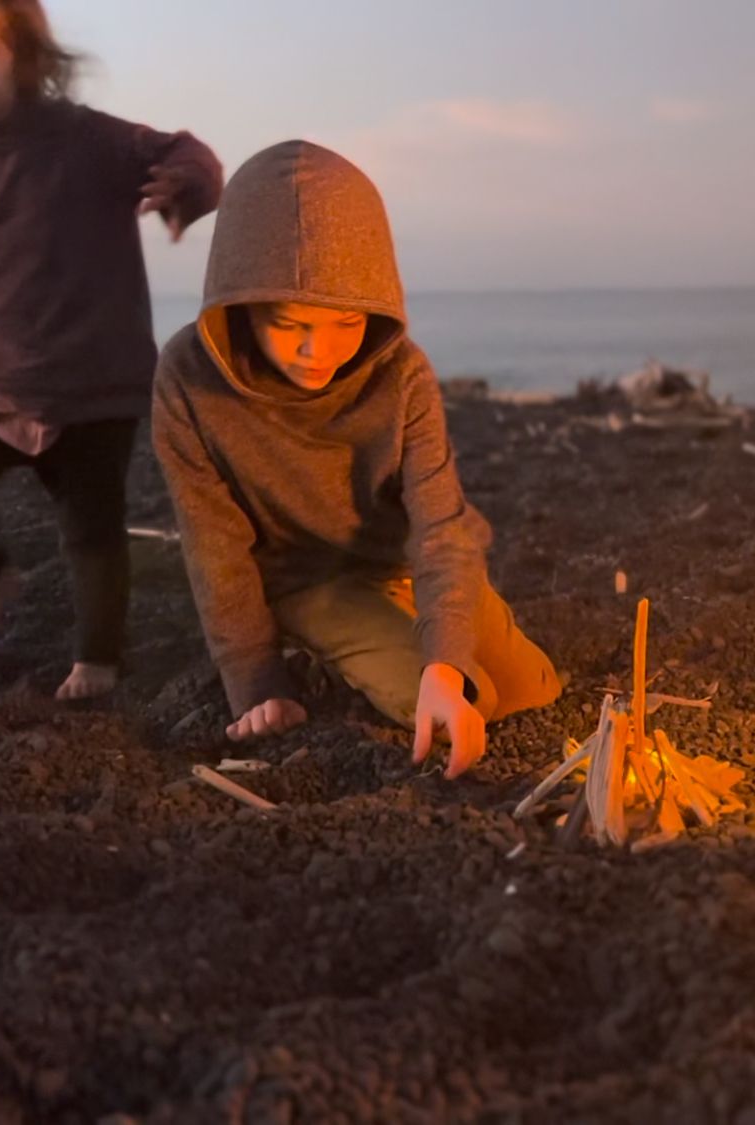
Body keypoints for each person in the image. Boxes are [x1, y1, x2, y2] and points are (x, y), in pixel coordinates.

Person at [152, 140, 562, 779]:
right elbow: (215, 546)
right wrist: (257, 682)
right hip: (307, 579)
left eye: (345, 322)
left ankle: (417, 627)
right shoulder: (187, 378)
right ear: (243, 303)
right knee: (455, 704)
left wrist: (444, 661)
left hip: (405, 559)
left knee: (534, 689)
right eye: (292, 323)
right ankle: (332, 644)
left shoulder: (402, 375)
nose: (321, 350)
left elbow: (439, 525)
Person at [0, 0, 222, 700]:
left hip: (95, 386)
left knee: (92, 531)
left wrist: (186, 184)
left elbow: (186, 149)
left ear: (25, 58)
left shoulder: (86, 139)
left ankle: (97, 660)